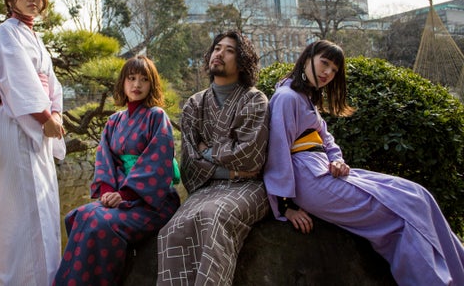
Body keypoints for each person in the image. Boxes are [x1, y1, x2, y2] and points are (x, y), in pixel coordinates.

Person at [264, 39, 464, 285]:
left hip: (324, 171)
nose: (328, 73)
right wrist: (286, 206)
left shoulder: (306, 97)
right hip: (310, 181)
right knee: (400, 214)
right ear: (306, 59)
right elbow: (278, 152)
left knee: (418, 196)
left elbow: (327, 139)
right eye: (324, 63)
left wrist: (337, 160)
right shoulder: (287, 97)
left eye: (334, 70)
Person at [53, 55, 180, 285]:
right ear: (123, 82)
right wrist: (108, 191)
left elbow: (158, 161)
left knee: (100, 223)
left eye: (144, 79)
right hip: (120, 196)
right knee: (80, 215)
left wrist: (125, 194)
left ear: (152, 84)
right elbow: (104, 159)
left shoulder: (157, 116)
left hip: (152, 201)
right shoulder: (114, 120)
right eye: (131, 78)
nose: (137, 84)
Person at [157, 30, 270, 286]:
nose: (220, 54)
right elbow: (189, 165)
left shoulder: (255, 100)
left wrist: (206, 151)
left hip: (248, 186)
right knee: (172, 230)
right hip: (209, 187)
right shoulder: (194, 104)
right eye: (217, 48)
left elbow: (250, 159)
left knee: (213, 216)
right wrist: (231, 169)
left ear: (242, 62)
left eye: (229, 50)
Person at [0, 0, 66, 286]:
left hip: (38, 124)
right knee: (19, 209)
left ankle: (45, 278)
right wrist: (45, 117)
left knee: (41, 204)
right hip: (17, 124)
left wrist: (55, 113)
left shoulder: (34, 37)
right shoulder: (6, 33)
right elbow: (19, 80)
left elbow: (53, 84)